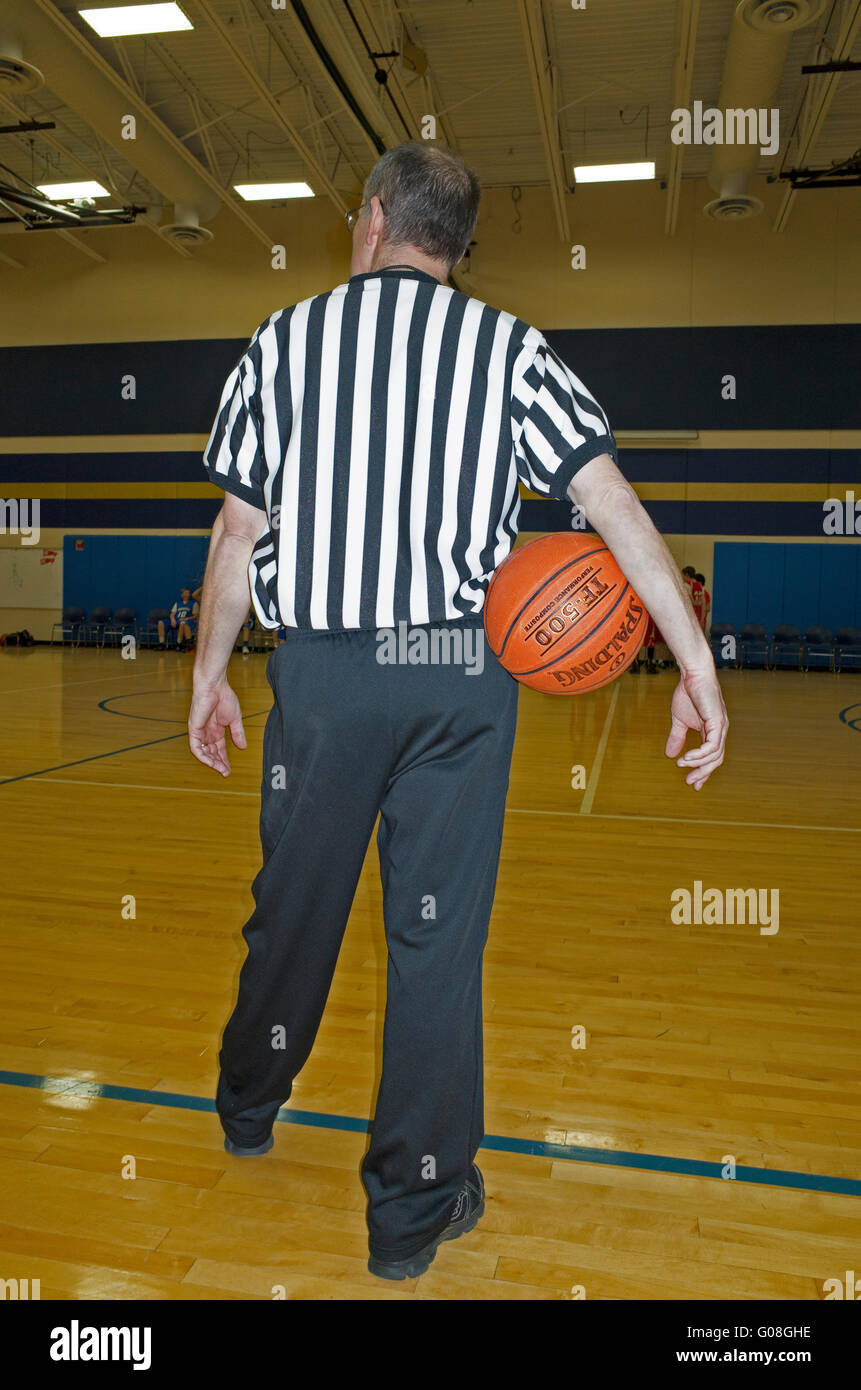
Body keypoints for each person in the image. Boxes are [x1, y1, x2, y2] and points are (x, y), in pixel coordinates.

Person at [187, 141, 728, 1282]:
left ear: (372, 219)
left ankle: (249, 1097)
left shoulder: (285, 342)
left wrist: (207, 679)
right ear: (462, 248)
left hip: (326, 676)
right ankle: (413, 1213)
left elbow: (237, 535)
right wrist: (694, 662)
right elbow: (610, 502)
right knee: (437, 946)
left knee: (296, 910)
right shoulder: (513, 348)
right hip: (457, 677)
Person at [158, 587, 199, 651]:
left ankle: (178, 644)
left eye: (188, 593)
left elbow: (196, 616)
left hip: (187, 621)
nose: (186, 595)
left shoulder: (194, 603)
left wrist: (187, 618)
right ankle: (161, 643)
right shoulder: (177, 603)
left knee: (182, 623)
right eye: (185, 593)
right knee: (161, 622)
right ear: (181, 595)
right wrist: (172, 620)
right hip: (177, 620)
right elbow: (172, 614)